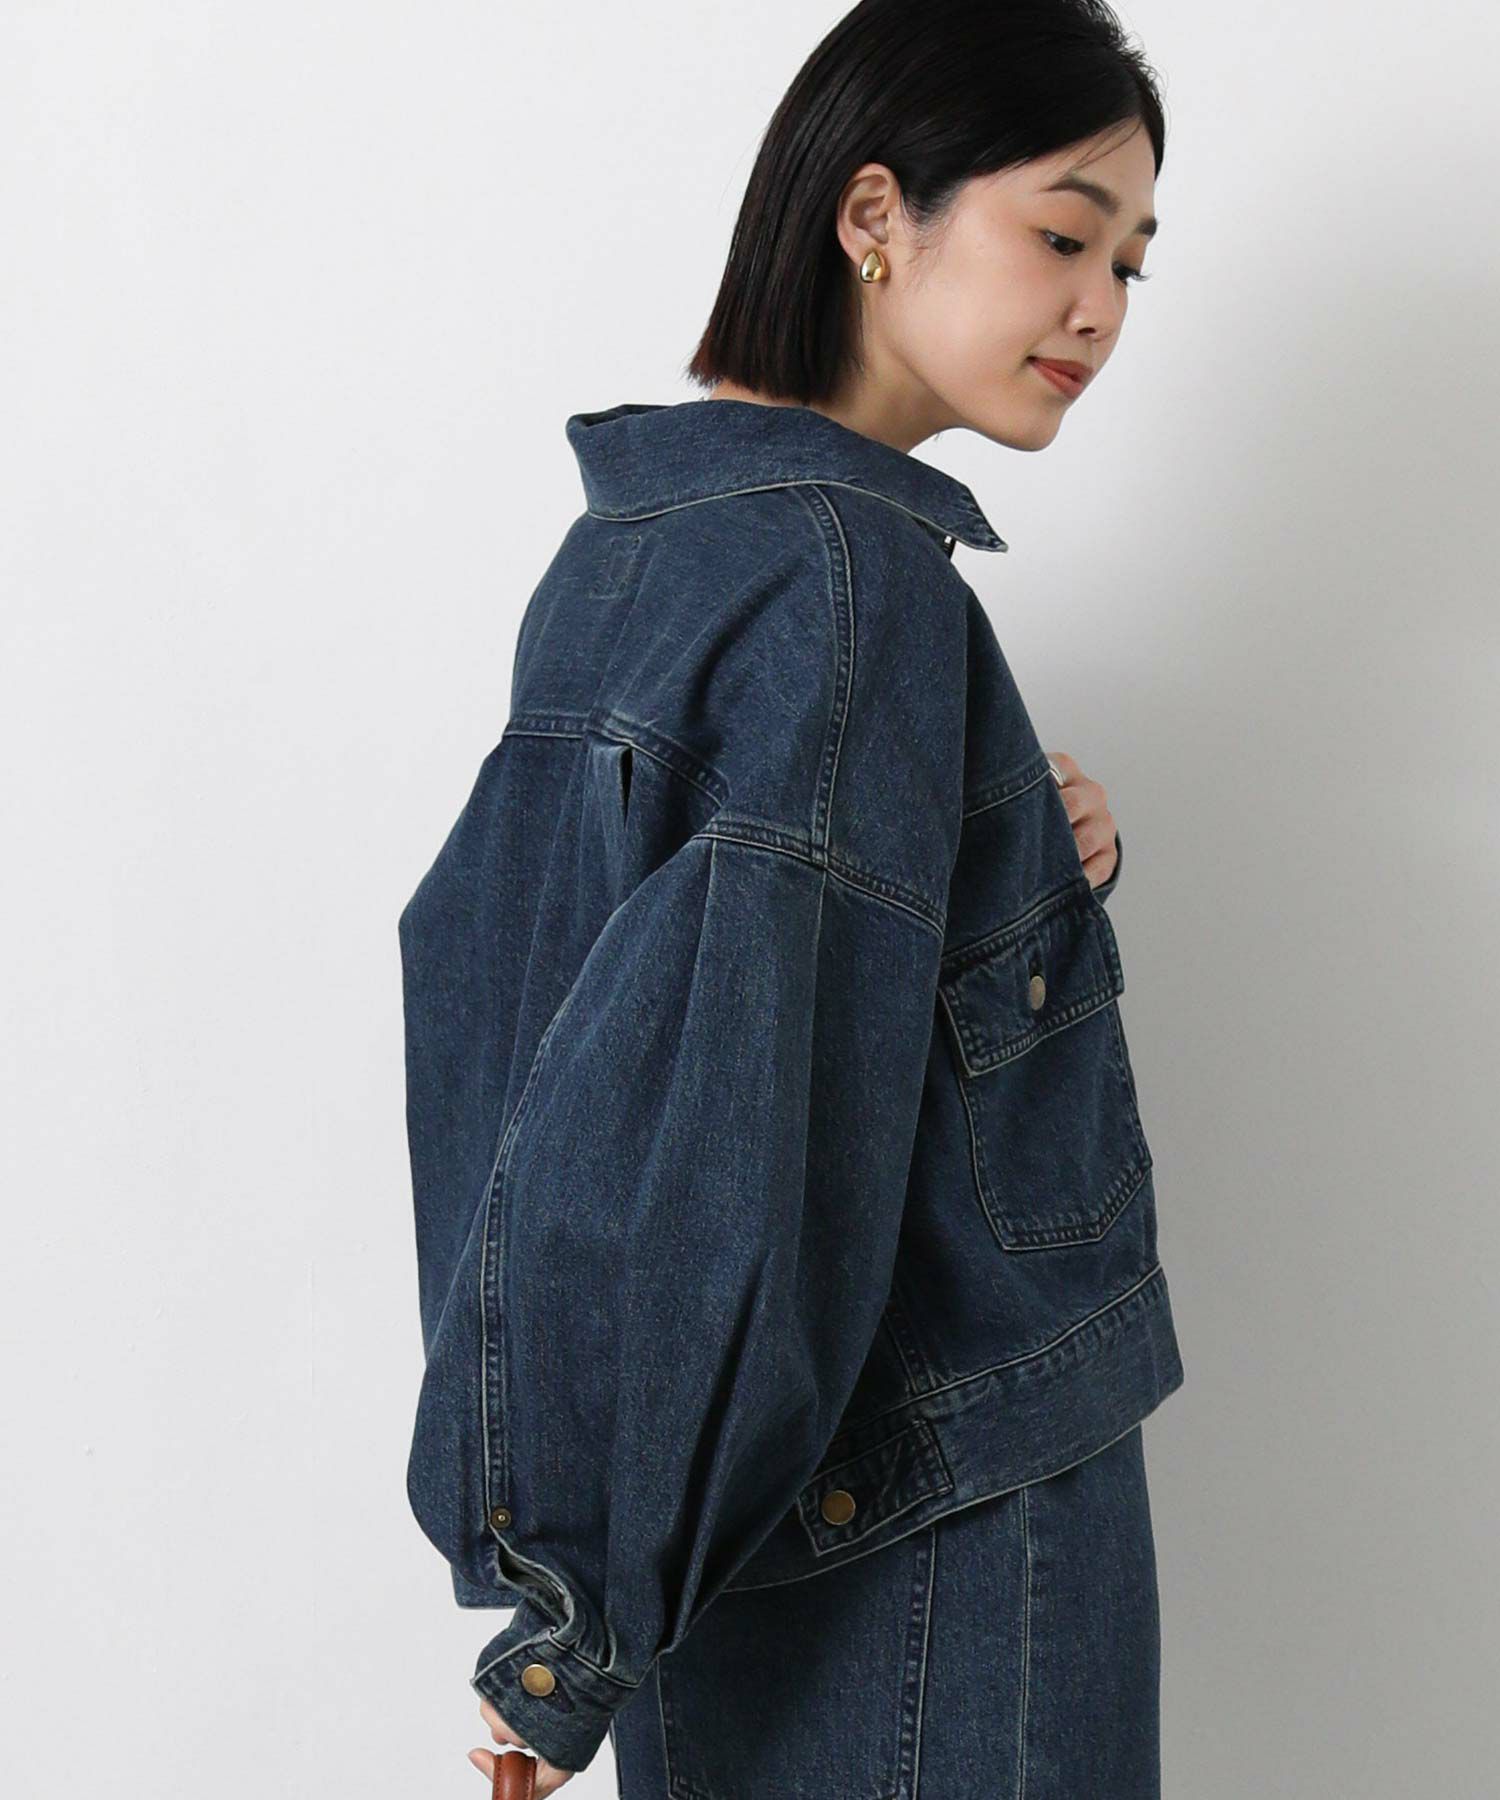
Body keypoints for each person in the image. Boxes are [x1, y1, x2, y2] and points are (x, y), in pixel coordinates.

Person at [397, 2, 1185, 1793]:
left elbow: (559, 1057)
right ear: (872, 215)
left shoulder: (627, 559)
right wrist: (582, 1626)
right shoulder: (857, 585)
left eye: (1133, 265)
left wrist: (1003, 874)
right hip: (938, 1550)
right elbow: (726, 1130)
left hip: (737, 1555)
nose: (1101, 310)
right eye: (1064, 236)